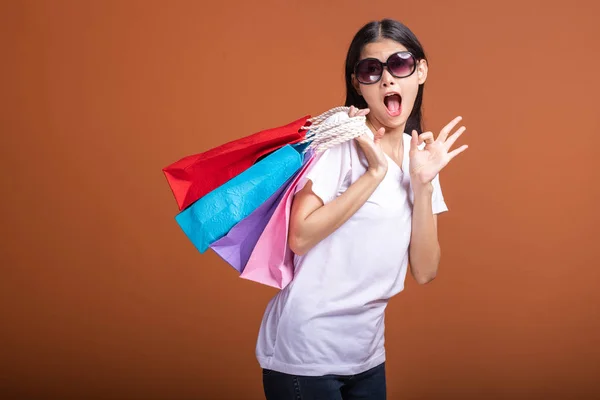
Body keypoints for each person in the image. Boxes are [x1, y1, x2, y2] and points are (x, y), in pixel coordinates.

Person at [256, 18, 468, 400]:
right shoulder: (341, 143)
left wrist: (421, 185)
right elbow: (300, 237)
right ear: (358, 84)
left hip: (366, 356)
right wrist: (374, 174)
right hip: (305, 354)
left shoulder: (420, 157)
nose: (387, 80)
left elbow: (425, 270)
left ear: (420, 71)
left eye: (399, 64)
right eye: (372, 70)